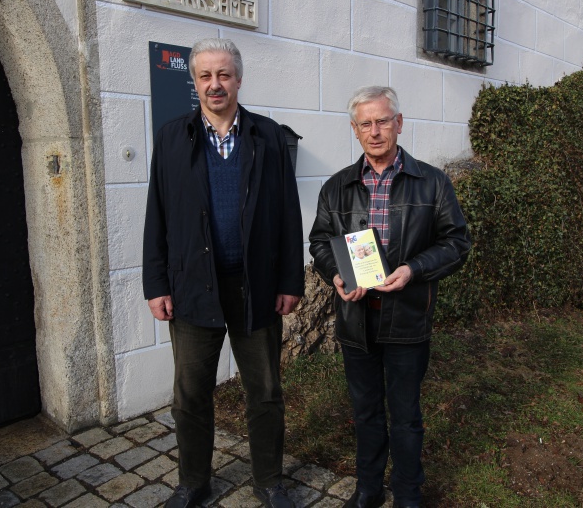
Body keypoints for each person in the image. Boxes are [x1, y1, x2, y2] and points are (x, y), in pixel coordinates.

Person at [143, 38, 304, 508]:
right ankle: (194, 481)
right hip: (194, 286)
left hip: (256, 287)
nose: (215, 84)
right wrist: (157, 284)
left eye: (224, 75)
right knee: (190, 394)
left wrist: (290, 280)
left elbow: (288, 213)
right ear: (194, 82)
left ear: (238, 78)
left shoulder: (269, 136)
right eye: (205, 76)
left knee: (266, 391)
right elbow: (158, 212)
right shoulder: (173, 136)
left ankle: (269, 480)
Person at [309, 86, 470, 508]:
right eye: (366, 123)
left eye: (383, 121)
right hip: (356, 319)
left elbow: (457, 243)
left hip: (407, 316)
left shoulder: (431, 182)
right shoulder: (337, 186)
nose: (375, 131)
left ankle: (407, 491)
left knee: (405, 415)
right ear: (355, 130)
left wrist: (413, 270)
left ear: (399, 123)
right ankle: (368, 487)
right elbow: (321, 241)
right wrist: (336, 275)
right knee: (365, 412)